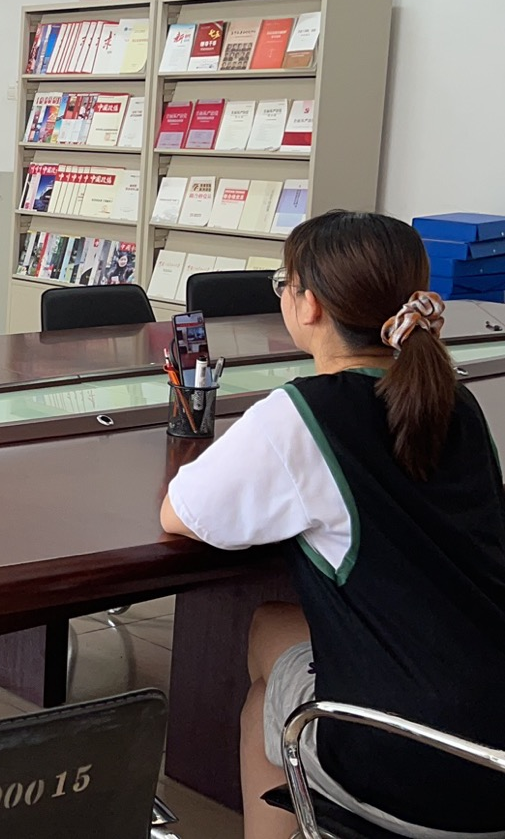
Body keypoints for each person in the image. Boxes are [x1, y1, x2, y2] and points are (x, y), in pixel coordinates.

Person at [160, 210, 505, 839]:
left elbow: (182, 514)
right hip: (494, 741)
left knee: (267, 664)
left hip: (415, 764)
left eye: (283, 284)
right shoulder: (457, 401)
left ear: (309, 305)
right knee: (278, 624)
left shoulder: (303, 413)